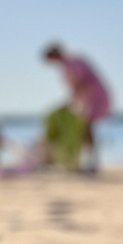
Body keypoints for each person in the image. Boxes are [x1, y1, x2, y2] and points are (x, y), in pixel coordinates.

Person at [42, 43, 111, 171]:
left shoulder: (73, 61)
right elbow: (78, 85)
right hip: (86, 99)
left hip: (94, 97)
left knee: (86, 128)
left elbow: (83, 81)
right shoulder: (68, 64)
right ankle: (89, 161)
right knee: (84, 129)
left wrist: (71, 100)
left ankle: (92, 162)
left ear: (54, 54)